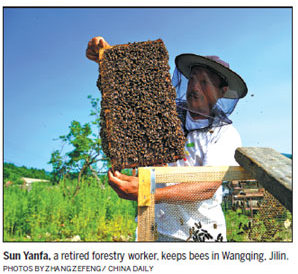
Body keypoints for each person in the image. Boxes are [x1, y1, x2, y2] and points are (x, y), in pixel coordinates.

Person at [86, 36, 248, 241]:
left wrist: (145, 192)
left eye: (204, 82)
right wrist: (107, 56)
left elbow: (207, 186)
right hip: (153, 228)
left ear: (221, 92)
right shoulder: (166, 118)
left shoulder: (224, 134)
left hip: (199, 236)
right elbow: (136, 92)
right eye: (192, 79)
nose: (195, 87)